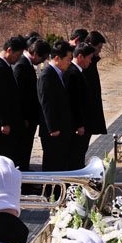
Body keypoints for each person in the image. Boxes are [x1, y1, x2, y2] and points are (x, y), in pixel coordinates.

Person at [13, 38, 51, 171]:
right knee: (22, 150)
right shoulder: (21, 66)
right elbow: (19, 96)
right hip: (25, 119)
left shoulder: (27, 65)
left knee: (26, 149)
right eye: (42, 58)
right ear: (35, 53)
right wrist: (24, 118)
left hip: (30, 118)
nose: (42, 61)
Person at [0, 35, 26, 165]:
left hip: (9, 121)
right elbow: (0, 98)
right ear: (9, 50)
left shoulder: (5, 66)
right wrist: (4, 122)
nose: (18, 58)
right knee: (4, 159)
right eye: (18, 54)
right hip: (3, 124)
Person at [38, 39, 74, 171]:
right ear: (58, 58)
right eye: (68, 59)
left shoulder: (59, 74)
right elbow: (46, 103)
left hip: (62, 128)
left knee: (60, 163)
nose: (69, 62)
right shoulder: (47, 75)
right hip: (53, 131)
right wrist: (53, 128)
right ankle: (50, 191)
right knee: (53, 163)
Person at [65, 42, 96, 169]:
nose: (90, 62)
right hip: (78, 125)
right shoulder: (72, 73)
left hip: (83, 122)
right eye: (89, 58)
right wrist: (79, 124)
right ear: (80, 57)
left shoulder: (78, 72)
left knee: (79, 154)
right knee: (75, 156)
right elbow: (75, 101)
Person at [84, 31, 107, 136]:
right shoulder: (85, 65)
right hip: (85, 114)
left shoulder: (92, 62)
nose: (99, 51)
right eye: (98, 48)